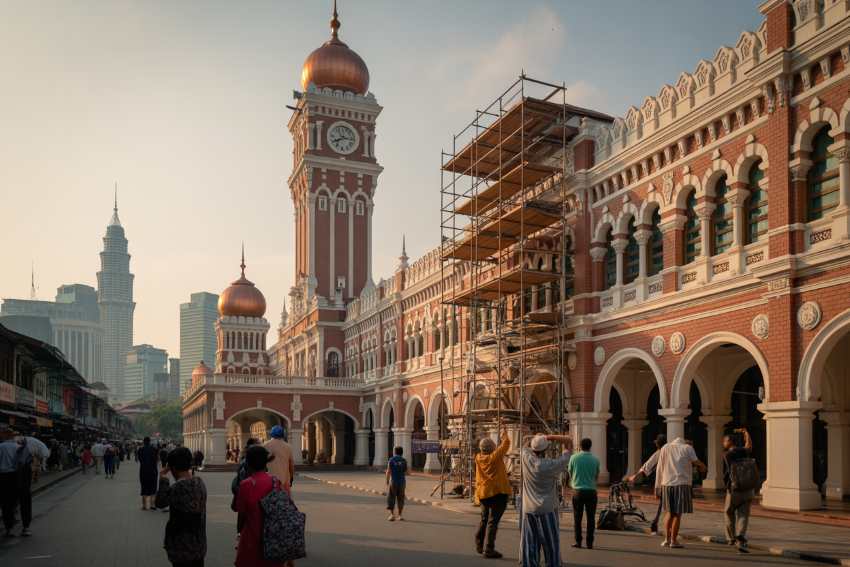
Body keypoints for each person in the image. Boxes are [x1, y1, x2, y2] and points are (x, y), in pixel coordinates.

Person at [520, 432, 572, 567]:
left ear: (533, 449)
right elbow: (569, 441)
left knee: (530, 545)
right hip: (547, 509)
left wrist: (536, 437)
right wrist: (549, 437)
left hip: (529, 509)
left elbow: (525, 440)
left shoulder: (526, 459)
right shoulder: (552, 465)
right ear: (546, 450)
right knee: (551, 545)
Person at [235, 445, 290, 567]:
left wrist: (239, 533)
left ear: (248, 463)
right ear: (266, 463)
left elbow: (241, 514)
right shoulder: (275, 481)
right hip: (273, 538)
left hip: (252, 538)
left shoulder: (246, 484)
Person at [156, 447, 207, 567]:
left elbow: (160, 502)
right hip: (199, 545)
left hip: (182, 548)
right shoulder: (200, 482)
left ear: (172, 468)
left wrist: (163, 478)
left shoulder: (178, 487)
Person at [657, 436, 706, 548]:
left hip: (667, 484)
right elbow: (696, 461)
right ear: (687, 443)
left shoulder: (665, 447)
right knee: (677, 514)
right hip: (681, 484)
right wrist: (703, 466)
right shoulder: (688, 448)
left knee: (669, 513)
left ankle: (666, 540)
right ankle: (674, 541)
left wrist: (658, 485)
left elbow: (660, 466)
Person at [474, 426, 511, 558]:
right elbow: (506, 444)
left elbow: (501, 446)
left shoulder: (478, 457)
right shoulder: (494, 457)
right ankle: (489, 549)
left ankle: (479, 543)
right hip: (498, 493)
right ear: (493, 448)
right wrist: (504, 432)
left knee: (484, 519)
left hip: (483, 493)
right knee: (493, 521)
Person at [626, 434, 666, 534]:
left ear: (658, 443)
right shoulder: (667, 451)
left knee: (664, 506)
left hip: (664, 482)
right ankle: (657, 524)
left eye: (656, 442)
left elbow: (648, 465)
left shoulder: (660, 452)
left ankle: (656, 525)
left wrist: (634, 476)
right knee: (666, 506)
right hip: (673, 482)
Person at [723, 427, 754, 553]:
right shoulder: (744, 451)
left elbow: (726, 473)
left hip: (734, 488)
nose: (723, 443)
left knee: (729, 512)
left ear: (730, 441)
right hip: (748, 488)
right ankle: (740, 535)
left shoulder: (728, 455)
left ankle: (731, 538)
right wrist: (746, 433)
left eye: (724, 441)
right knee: (743, 514)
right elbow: (749, 446)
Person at [568, 437, 600, 549]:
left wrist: (575, 481)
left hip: (578, 491)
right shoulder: (596, 459)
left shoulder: (573, 458)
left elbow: (570, 473)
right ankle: (590, 542)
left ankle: (578, 541)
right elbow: (596, 476)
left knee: (577, 518)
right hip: (591, 491)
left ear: (580, 446)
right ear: (590, 446)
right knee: (591, 518)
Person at [0, 427, 20, 538]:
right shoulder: (18, 447)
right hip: (14, 476)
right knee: (12, 502)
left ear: (4, 435)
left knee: (4, 502)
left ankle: (8, 525)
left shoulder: (1, 447)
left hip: (2, 476)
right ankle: (10, 527)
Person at [263, 426, 293, 490]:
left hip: (269, 480)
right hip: (284, 480)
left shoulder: (265, 445)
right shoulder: (288, 447)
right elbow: (291, 464)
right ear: (283, 435)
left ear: (271, 434)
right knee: (284, 499)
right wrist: (291, 476)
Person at [385, 446, 408, 521]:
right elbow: (407, 472)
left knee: (391, 497)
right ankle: (400, 515)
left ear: (395, 452)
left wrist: (387, 480)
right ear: (402, 452)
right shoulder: (404, 460)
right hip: (402, 482)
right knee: (401, 498)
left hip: (393, 481)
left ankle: (392, 515)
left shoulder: (391, 460)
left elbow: (388, 471)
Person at [138, 437, 160, 510]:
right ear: (150, 442)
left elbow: (140, 460)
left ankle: (144, 505)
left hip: (143, 470)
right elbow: (157, 460)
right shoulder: (154, 450)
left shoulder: (140, 450)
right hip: (153, 470)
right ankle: (152, 505)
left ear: (144, 442)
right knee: (153, 487)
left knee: (144, 487)